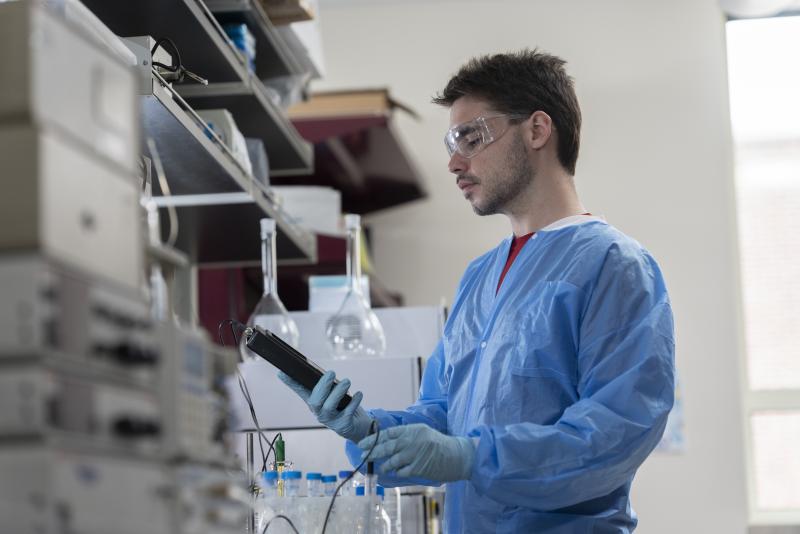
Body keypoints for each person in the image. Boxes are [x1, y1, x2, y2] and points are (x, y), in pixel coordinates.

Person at [279, 49, 675, 533]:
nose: (453, 162)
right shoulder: (480, 277)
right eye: (452, 141)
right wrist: (369, 430)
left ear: (536, 130)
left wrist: (474, 455)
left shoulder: (614, 265)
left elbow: (615, 433)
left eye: (471, 137)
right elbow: (445, 418)